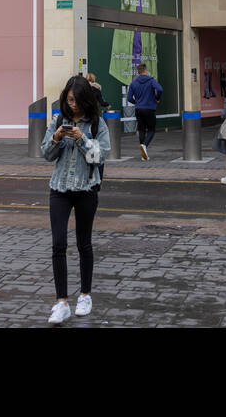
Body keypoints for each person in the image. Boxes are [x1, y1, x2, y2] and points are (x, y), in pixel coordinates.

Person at [41, 75, 110, 323]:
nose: (73, 105)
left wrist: (81, 139)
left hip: (86, 190)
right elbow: (46, 154)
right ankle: (61, 302)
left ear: (86, 100)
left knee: (84, 244)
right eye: (70, 100)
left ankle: (85, 295)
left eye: (77, 100)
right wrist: (57, 137)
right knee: (58, 244)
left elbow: (99, 157)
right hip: (58, 189)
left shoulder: (96, 124)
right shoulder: (59, 120)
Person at [127, 62, 163, 160]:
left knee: (141, 129)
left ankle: (144, 153)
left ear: (138, 72)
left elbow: (129, 98)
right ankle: (144, 146)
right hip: (149, 108)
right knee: (151, 129)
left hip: (138, 109)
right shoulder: (151, 80)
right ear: (145, 71)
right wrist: (157, 98)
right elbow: (160, 89)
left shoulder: (133, 82)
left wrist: (137, 102)